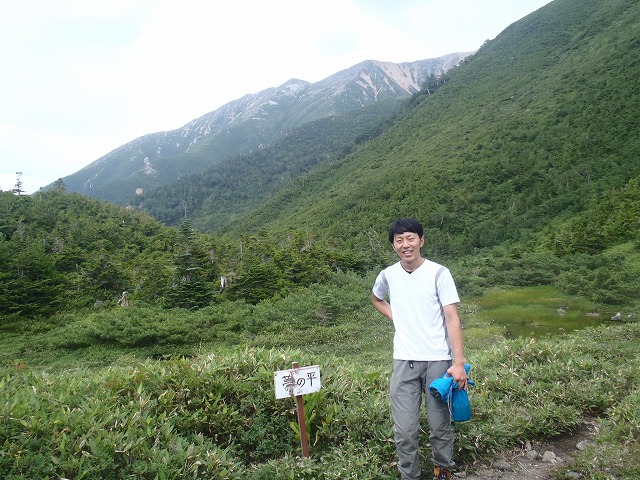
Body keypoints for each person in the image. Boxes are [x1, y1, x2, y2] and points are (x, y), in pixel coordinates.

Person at [371, 218, 468, 480]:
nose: (406, 245)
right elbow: (376, 298)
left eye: (411, 238)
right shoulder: (388, 275)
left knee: (439, 426)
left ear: (421, 241)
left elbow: (452, 318)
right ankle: (409, 476)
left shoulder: (439, 273)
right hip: (404, 361)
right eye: (399, 240)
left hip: (438, 360)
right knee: (405, 430)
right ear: (393, 245)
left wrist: (458, 364)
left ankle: (443, 471)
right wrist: (396, 316)